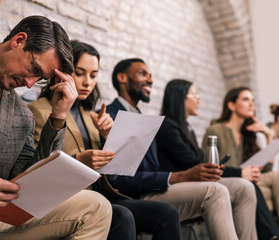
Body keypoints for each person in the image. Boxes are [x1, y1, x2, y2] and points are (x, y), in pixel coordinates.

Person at [0, 16, 112, 240]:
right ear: (18, 41)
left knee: (97, 207)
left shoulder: (20, 114)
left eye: (40, 79)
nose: (30, 83)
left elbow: (27, 180)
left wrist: (58, 116)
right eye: (34, 68)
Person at [28, 40, 181, 240]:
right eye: (80, 73)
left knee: (167, 213)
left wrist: (108, 138)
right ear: (63, 71)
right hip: (66, 199)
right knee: (122, 215)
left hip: (102, 194)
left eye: (93, 75)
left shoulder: (91, 115)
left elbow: (112, 177)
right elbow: (38, 168)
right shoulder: (38, 110)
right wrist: (79, 159)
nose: (87, 82)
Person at [104, 58, 258, 240]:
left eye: (151, 76)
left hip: (156, 186)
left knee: (244, 187)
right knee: (215, 191)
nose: (151, 80)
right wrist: (177, 177)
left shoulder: (143, 118)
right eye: (142, 73)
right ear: (122, 78)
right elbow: (118, 180)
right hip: (137, 195)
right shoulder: (109, 118)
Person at [155, 79, 279, 240]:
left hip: (193, 182)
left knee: (246, 187)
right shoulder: (167, 127)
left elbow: (200, 161)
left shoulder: (186, 128)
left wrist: (268, 136)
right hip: (175, 184)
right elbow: (195, 164)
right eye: (194, 94)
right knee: (238, 186)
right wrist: (240, 172)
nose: (198, 99)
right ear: (180, 98)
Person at [202, 87, 279, 240]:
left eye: (252, 100)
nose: (251, 104)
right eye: (246, 100)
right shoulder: (216, 130)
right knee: (272, 187)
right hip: (228, 181)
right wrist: (241, 173)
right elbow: (205, 167)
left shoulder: (249, 134)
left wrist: (268, 136)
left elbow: (268, 171)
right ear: (231, 105)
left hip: (250, 181)